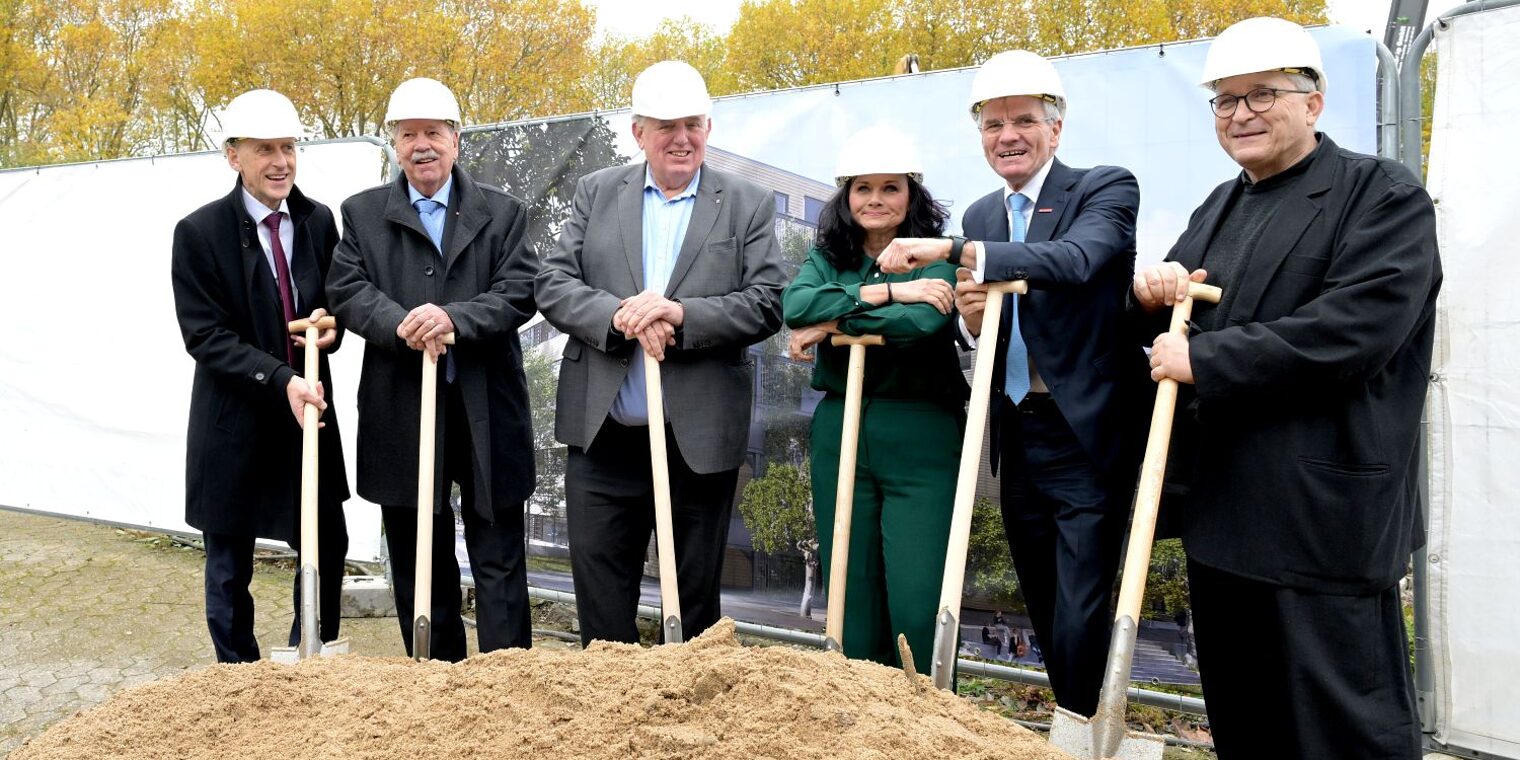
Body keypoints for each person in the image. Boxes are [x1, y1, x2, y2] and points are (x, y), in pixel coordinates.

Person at [1130, 18, 1440, 759]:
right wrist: (1151, 290)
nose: (1240, 114)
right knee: (1249, 724)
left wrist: (1208, 361)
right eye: (1224, 100)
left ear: (1314, 103)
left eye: (1261, 94)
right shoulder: (1221, 206)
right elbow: (1172, 323)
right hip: (1226, 518)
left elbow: (1357, 329)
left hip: (1320, 524)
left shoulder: (1381, 196)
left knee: (1343, 732)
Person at [876, 50, 1146, 717]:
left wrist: (946, 249)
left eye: (1024, 120)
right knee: (1046, 596)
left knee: (1084, 602)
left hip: (1085, 431)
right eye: (993, 124)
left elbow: (1075, 261)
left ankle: (1085, 725)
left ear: (1056, 129)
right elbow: (988, 321)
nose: (1009, 136)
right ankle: (1071, 717)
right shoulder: (983, 216)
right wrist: (971, 323)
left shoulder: (1104, 189)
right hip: (1019, 430)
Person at [535, 60, 785, 646]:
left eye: (693, 124)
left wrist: (681, 316)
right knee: (601, 596)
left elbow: (767, 302)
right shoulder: (597, 193)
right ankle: (612, 720)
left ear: (708, 126)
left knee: (694, 599)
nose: (682, 138)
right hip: (604, 435)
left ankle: (694, 728)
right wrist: (621, 317)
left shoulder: (746, 202)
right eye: (666, 126)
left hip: (696, 439)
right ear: (637, 132)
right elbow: (552, 282)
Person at [327, 78, 537, 661]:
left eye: (434, 133)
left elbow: (520, 290)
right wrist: (400, 323)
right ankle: (434, 678)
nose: (423, 145)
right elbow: (346, 289)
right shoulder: (363, 214)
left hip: (486, 404)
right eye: (409, 134)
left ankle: (506, 679)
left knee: (498, 551)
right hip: (402, 406)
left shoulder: (503, 212)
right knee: (420, 550)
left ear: (456, 140)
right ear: (394, 145)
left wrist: (453, 320)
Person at [170, 88, 349, 663]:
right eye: (265, 149)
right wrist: (278, 378)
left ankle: (308, 662)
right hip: (235, 421)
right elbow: (206, 336)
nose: (281, 162)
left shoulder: (319, 222)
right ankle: (239, 678)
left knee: (325, 543)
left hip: (308, 415)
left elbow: (332, 309)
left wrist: (330, 330)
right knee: (228, 560)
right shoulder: (198, 233)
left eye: (290, 147)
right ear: (233, 156)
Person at [781, 125, 962, 673]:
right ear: (846, 195)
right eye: (864, 188)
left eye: (890, 188)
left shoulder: (935, 253)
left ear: (912, 195)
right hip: (841, 427)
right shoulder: (827, 256)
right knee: (848, 588)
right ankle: (859, 720)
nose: (876, 200)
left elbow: (923, 321)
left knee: (917, 591)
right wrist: (887, 290)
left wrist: (830, 321)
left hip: (921, 431)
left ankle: (927, 720)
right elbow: (796, 305)